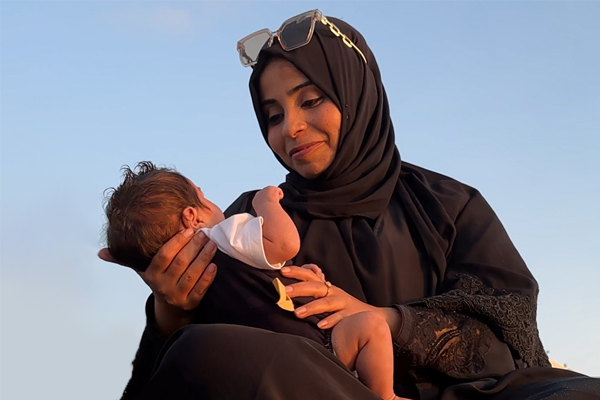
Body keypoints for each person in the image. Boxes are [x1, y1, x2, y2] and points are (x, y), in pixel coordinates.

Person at [99, 9, 600, 400]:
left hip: (470, 399)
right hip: (321, 392)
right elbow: (183, 378)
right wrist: (172, 314)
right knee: (203, 350)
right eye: (272, 115)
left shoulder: (448, 204)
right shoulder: (252, 220)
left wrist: (382, 319)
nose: (289, 128)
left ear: (357, 93)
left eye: (311, 100)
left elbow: (507, 336)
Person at [104, 161, 407, 400]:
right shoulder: (224, 234)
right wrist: (265, 203)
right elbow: (286, 244)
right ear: (191, 217)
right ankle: (384, 395)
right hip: (317, 349)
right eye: (204, 196)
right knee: (371, 325)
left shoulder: (199, 289)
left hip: (288, 367)